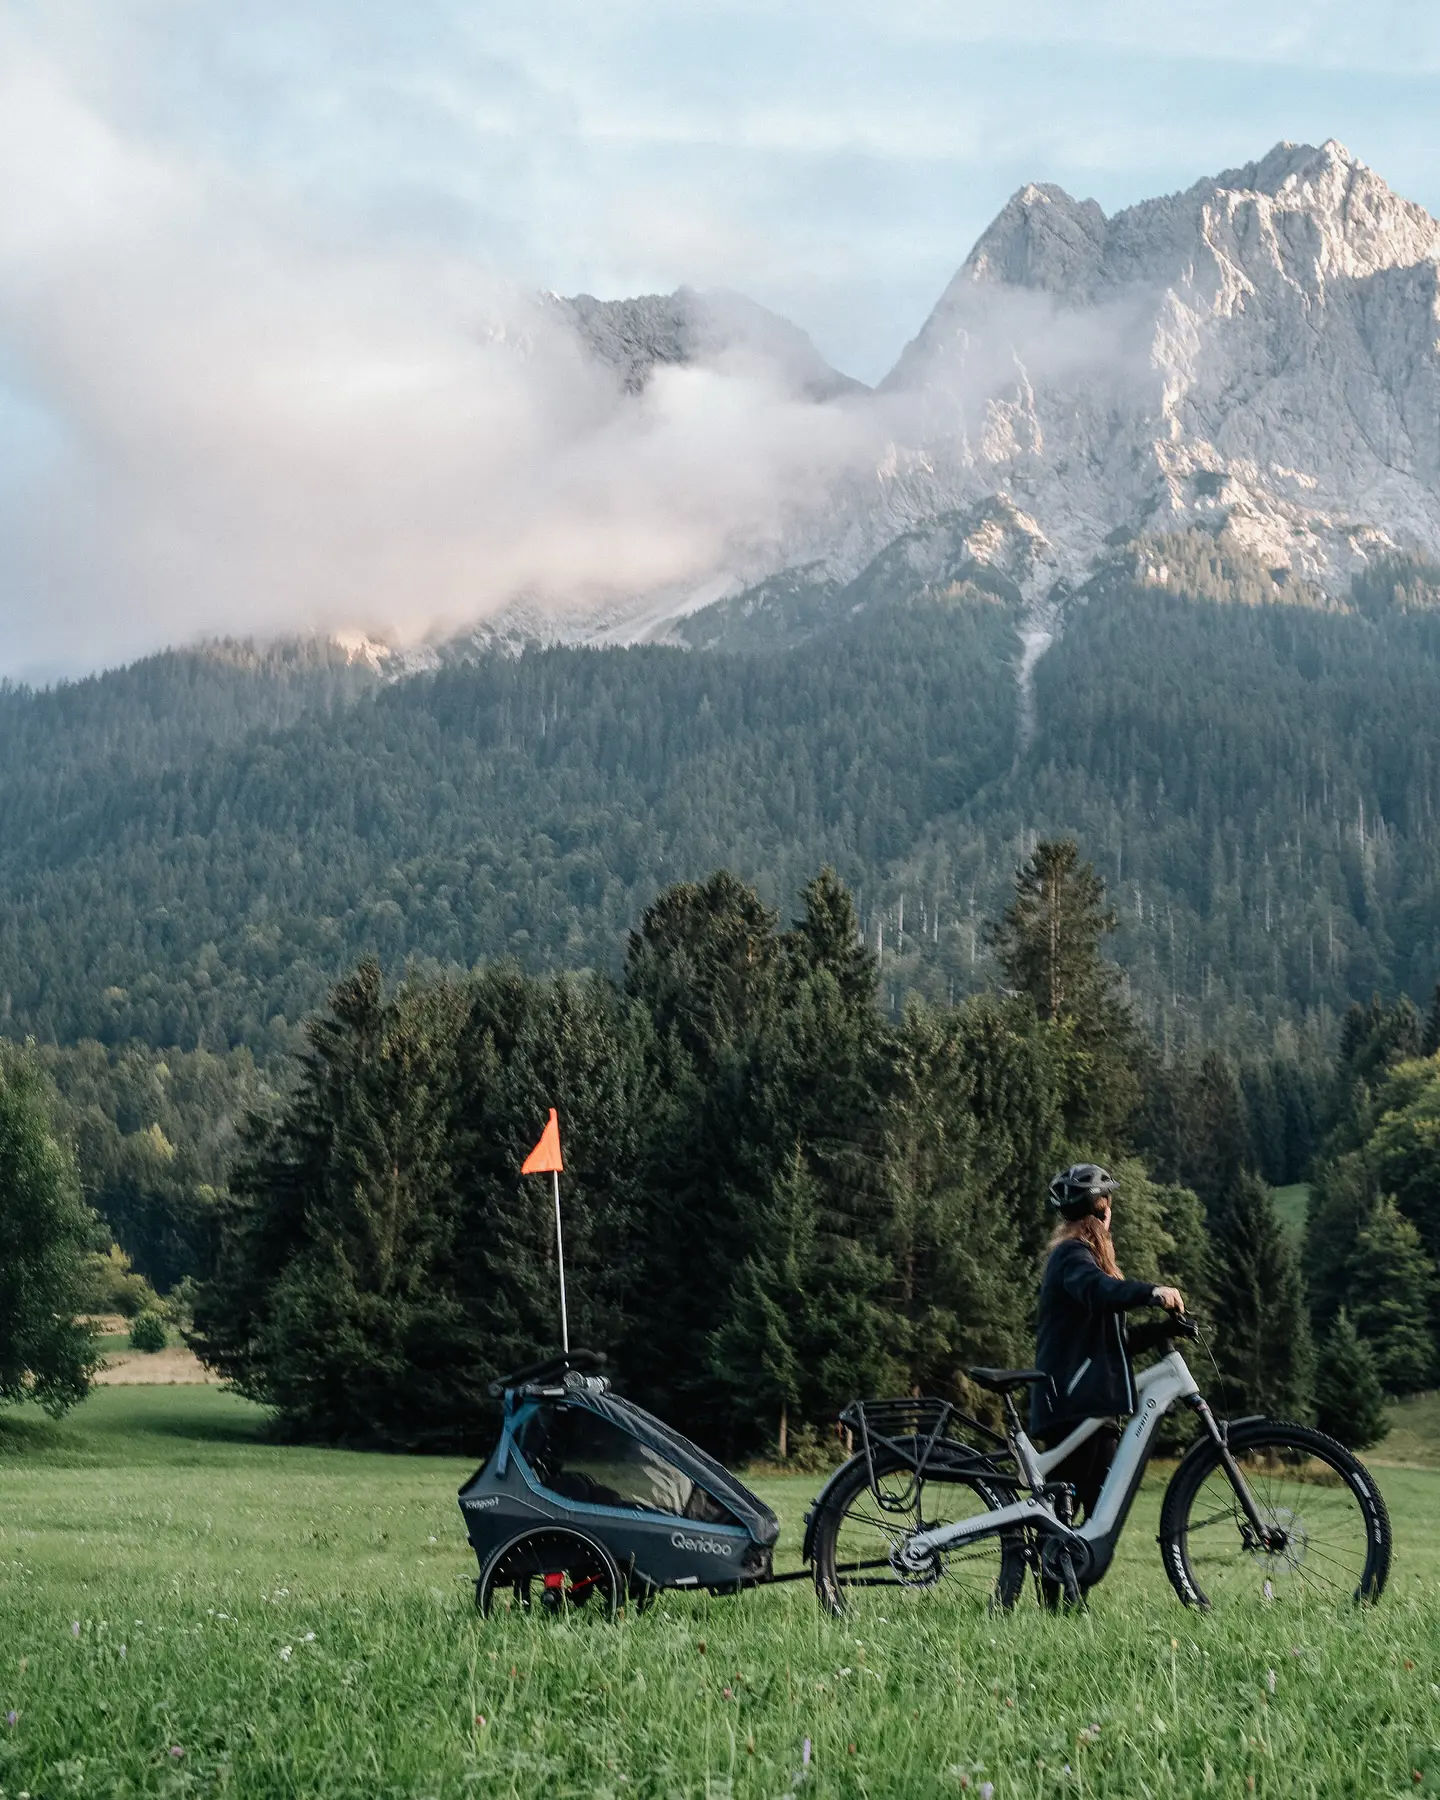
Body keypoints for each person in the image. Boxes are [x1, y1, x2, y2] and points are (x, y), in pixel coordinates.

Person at [1031, 1164, 1185, 1522]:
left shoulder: (1082, 1260)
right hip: (1075, 1405)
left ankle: (1062, 1573)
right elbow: (1101, 1292)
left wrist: (1163, 1331)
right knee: (1077, 1515)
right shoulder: (1072, 1256)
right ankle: (1056, 1572)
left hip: (1087, 1405)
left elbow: (1114, 1342)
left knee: (1089, 1516)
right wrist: (1152, 1292)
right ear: (1102, 1210)